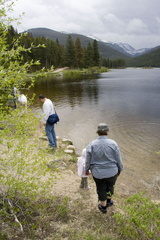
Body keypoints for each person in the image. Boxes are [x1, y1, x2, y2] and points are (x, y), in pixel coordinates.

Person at [84, 123, 123, 214]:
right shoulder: (113, 143)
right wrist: (120, 169)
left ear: (97, 132)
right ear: (107, 132)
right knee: (111, 186)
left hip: (98, 173)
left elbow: (87, 159)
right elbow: (118, 159)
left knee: (101, 188)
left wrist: (86, 169)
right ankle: (109, 201)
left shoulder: (92, 144)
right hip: (112, 172)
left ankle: (103, 206)